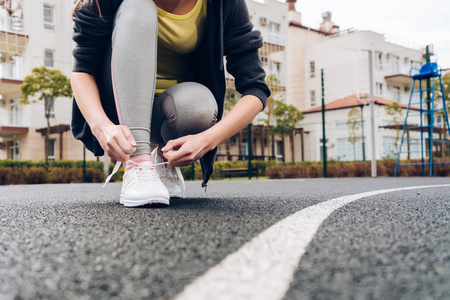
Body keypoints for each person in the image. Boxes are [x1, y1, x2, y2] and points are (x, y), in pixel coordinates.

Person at [71, 0, 271, 207]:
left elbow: (255, 89)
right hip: (119, 113)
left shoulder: (224, 4)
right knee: (138, 7)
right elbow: (82, 71)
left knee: (199, 105)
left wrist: (207, 140)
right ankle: (138, 163)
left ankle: (162, 160)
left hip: (171, 111)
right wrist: (102, 126)